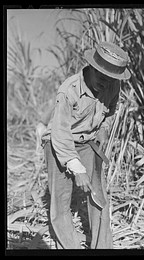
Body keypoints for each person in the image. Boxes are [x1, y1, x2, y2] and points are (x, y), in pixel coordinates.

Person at [37, 41, 131, 249]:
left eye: (110, 80)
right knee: (60, 203)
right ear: (92, 68)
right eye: (101, 77)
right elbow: (60, 133)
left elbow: (111, 108)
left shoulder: (113, 84)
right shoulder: (68, 91)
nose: (105, 84)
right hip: (58, 144)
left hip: (87, 142)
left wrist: (104, 129)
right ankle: (68, 246)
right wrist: (76, 168)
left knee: (98, 197)